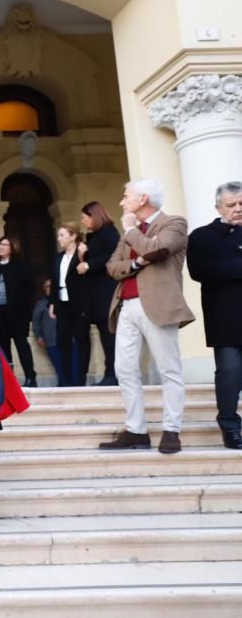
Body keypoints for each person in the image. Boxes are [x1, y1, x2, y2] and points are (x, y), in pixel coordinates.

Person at [100, 179, 195, 454]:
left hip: (159, 305)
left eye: (126, 196)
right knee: (125, 369)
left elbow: (158, 250)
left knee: (169, 369)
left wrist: (132, 233)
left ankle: (172, 430)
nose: (122, 202)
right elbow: (112, 267)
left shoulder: (173, 223)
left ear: (142, 199)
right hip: (126, 306)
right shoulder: (130, 232)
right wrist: (137, 262)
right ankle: (136, 430)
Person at [187, 180, 242, 449]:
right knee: (229, 371)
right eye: (232, 205)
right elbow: (200, 271)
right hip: (225, 316)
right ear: (219, 207)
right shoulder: (201, 236)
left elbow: (218, 269)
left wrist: (226, 268)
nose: (238, 209)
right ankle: (230, 426)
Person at [77, 201, 120, 385]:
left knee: (109, 334)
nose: (83, 221)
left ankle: (113, 374)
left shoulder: (110, 232)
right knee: (103, 334)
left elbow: (112, 255)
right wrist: (83, 255)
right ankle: (109, 373)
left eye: (84, 217)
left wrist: (88, 263)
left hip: (106, 292)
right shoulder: (93, 237)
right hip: (94, 293)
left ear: (94, 216)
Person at [0, 236, 38, 387]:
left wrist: (20, 302)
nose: (1, 247)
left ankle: (30, 377)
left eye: (5, 245)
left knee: (21, 344)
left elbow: (31, 288)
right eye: (0, 244)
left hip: (18, 313)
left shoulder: (22, 266)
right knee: (3, 347)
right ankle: (9, 380)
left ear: (13, 248)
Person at [50, 223, 90, 386]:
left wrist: (82, 256)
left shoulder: (84, 254)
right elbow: (54, 281)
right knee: (62, 340)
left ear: (73, 236)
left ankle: (81, 379)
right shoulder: (58, 257)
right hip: (62, 304)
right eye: (58, 235)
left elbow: (87, 279)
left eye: (62, 235)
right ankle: (66, 380)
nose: (59, 238)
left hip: (79, 304)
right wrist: (52, 304)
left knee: (82, 340)